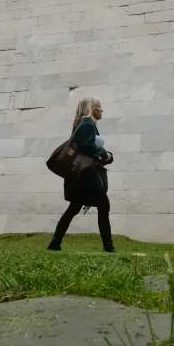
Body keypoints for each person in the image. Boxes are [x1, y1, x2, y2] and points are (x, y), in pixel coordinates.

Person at [48, 98, 115, 252]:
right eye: (99, 106)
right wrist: (105, 154)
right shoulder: (87, 124)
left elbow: (84, 146)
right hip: (87, 174)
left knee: (74, 208)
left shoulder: (84, 124)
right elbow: (85, 146)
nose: (102, 110)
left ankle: (55, 243)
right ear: (91, 109)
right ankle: (108, 247)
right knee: (103, 205)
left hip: (80, 175)